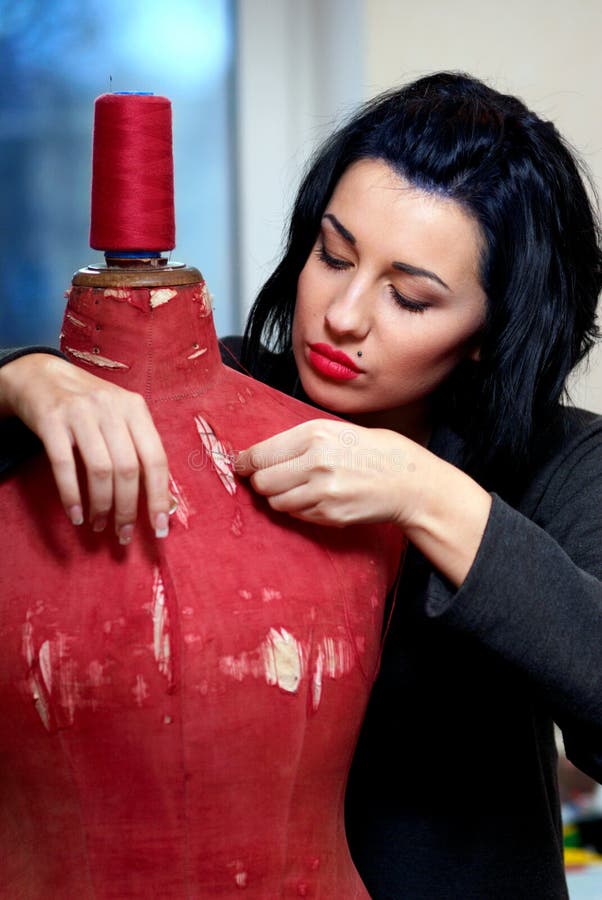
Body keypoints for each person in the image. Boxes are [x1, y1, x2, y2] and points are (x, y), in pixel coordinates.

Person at [1, 71, 601, 898]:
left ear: (489, 334)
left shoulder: (563, 462)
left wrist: (425, 492)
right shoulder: (218, 395)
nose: (343, 314)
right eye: (333, 254)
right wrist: (25, 377)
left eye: (410, 296)